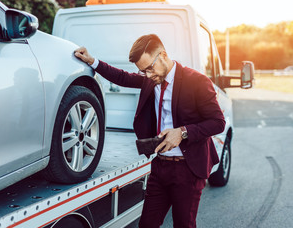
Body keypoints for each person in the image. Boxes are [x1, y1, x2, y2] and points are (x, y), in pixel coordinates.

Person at [74, 34, 225, 228]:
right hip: (160, 166)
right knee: (146, 225)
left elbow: (217, 122)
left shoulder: (197, 81)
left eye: (149, 68)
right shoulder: (150, 79)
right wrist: (92, 61)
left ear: (163, 55)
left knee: (183, 225)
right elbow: (122, 77)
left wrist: (183, 132)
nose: (147, 75)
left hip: (188, 169)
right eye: (142, 71)